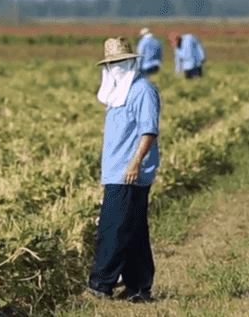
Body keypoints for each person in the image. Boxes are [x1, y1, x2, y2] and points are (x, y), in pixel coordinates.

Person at [87, 37, 160, 303]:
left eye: (120, 62)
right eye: (111, 63)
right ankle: (139, 288)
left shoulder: (142, 91)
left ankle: (100, 285)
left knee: (113, 228)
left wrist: (135, 161)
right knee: (134, 229)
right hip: (116, 170)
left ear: (130, 61)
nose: (115, 67)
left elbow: (148, 130)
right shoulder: (117, 94)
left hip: (129, 172)